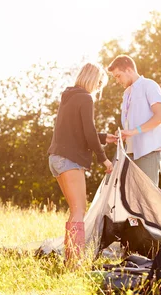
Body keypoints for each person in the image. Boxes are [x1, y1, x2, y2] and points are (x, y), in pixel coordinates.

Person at [47, 62, 117, 266]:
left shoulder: (68, 97)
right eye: (100, 83)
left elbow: (78, 131)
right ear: (94, 80)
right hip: (69, 159)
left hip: (56, 158)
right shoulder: (86, 98)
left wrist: (104, 137)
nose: (99, 88)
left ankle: (71, 258)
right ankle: (74, 261)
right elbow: (87, 131)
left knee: (75, 208)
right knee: (79, 209)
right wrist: (103, 158)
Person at [108, 55, 161, 187]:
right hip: (130, 152)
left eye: (118, 76)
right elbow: (131, 124)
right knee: (129, 198)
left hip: (148, 150)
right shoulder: (126, 94)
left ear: (129, 70)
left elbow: (160, 116)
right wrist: (124, 134)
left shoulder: (149, 85)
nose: (117, 81)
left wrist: (133, 131)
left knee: (147, 197)